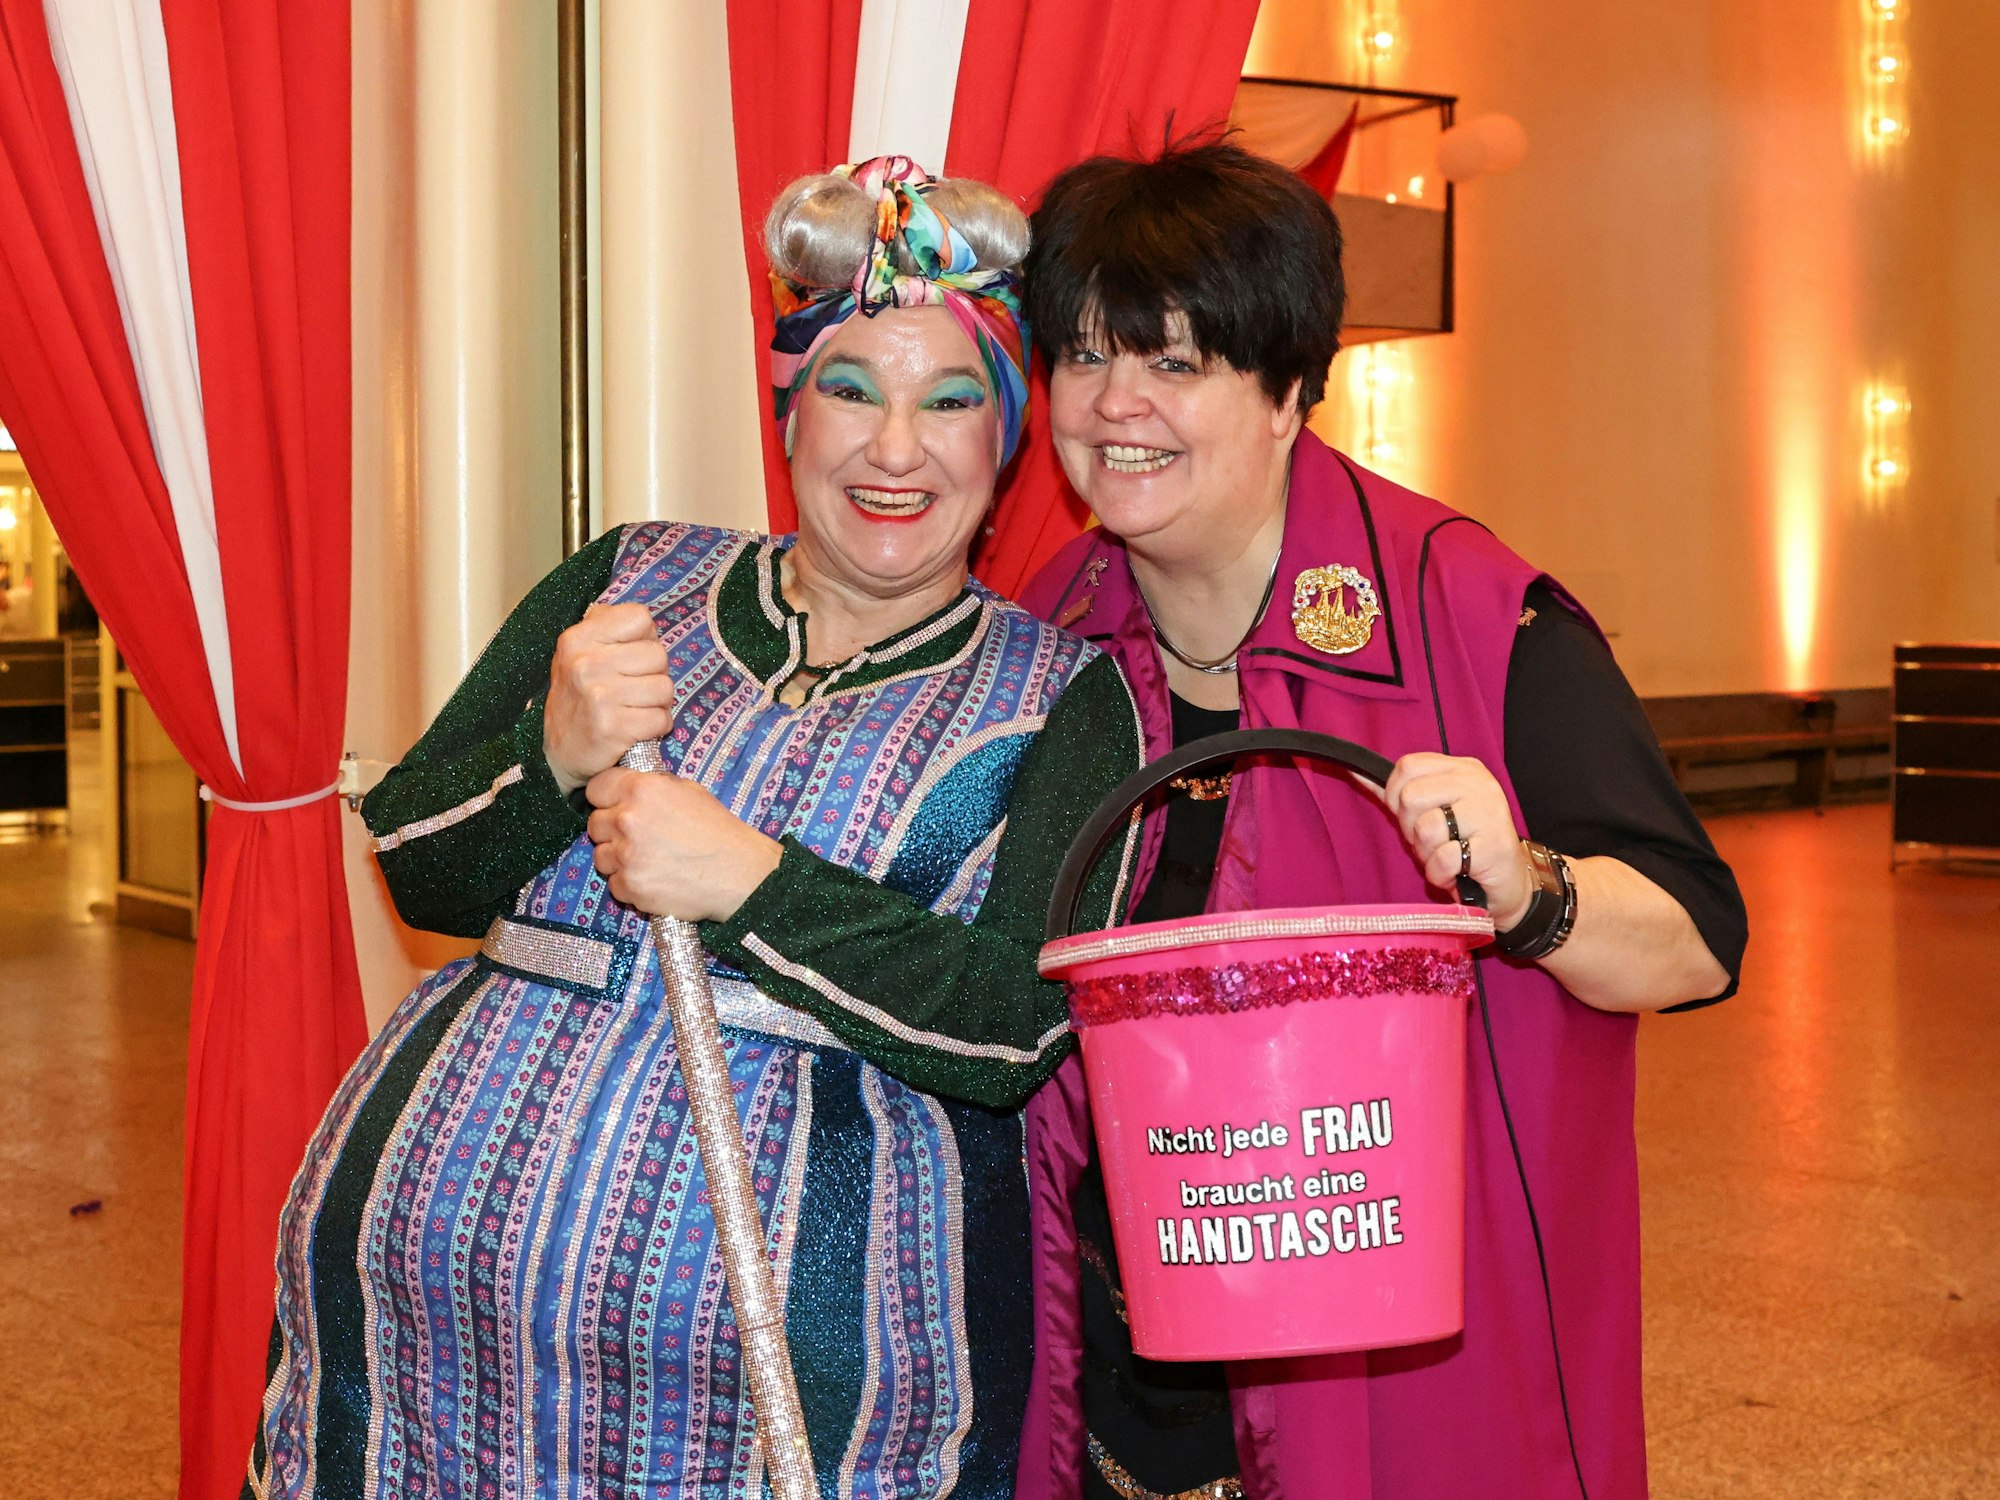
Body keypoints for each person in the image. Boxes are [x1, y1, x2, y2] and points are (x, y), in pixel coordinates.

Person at [247, 157, 1142, 1500]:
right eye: (850, 390)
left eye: (950, 403)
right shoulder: (628, 577)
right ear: (787, 412)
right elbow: (421, 866)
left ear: (1004, 443)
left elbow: (1020, 1025)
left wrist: (752, 883)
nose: (895, 449)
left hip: (781, 1386)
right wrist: (549, 750)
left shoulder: (1068, 700)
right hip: (420, 1331)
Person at [1014, 142, 1747, 1500]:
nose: (1116, 404)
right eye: (1082, 356)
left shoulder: (1468, 617)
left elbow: (1699, 941)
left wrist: (1529, 893)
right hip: (1119, 1381)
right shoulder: (1049, 636)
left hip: (1408, 1385)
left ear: (1291, 388)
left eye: (1176, 363)